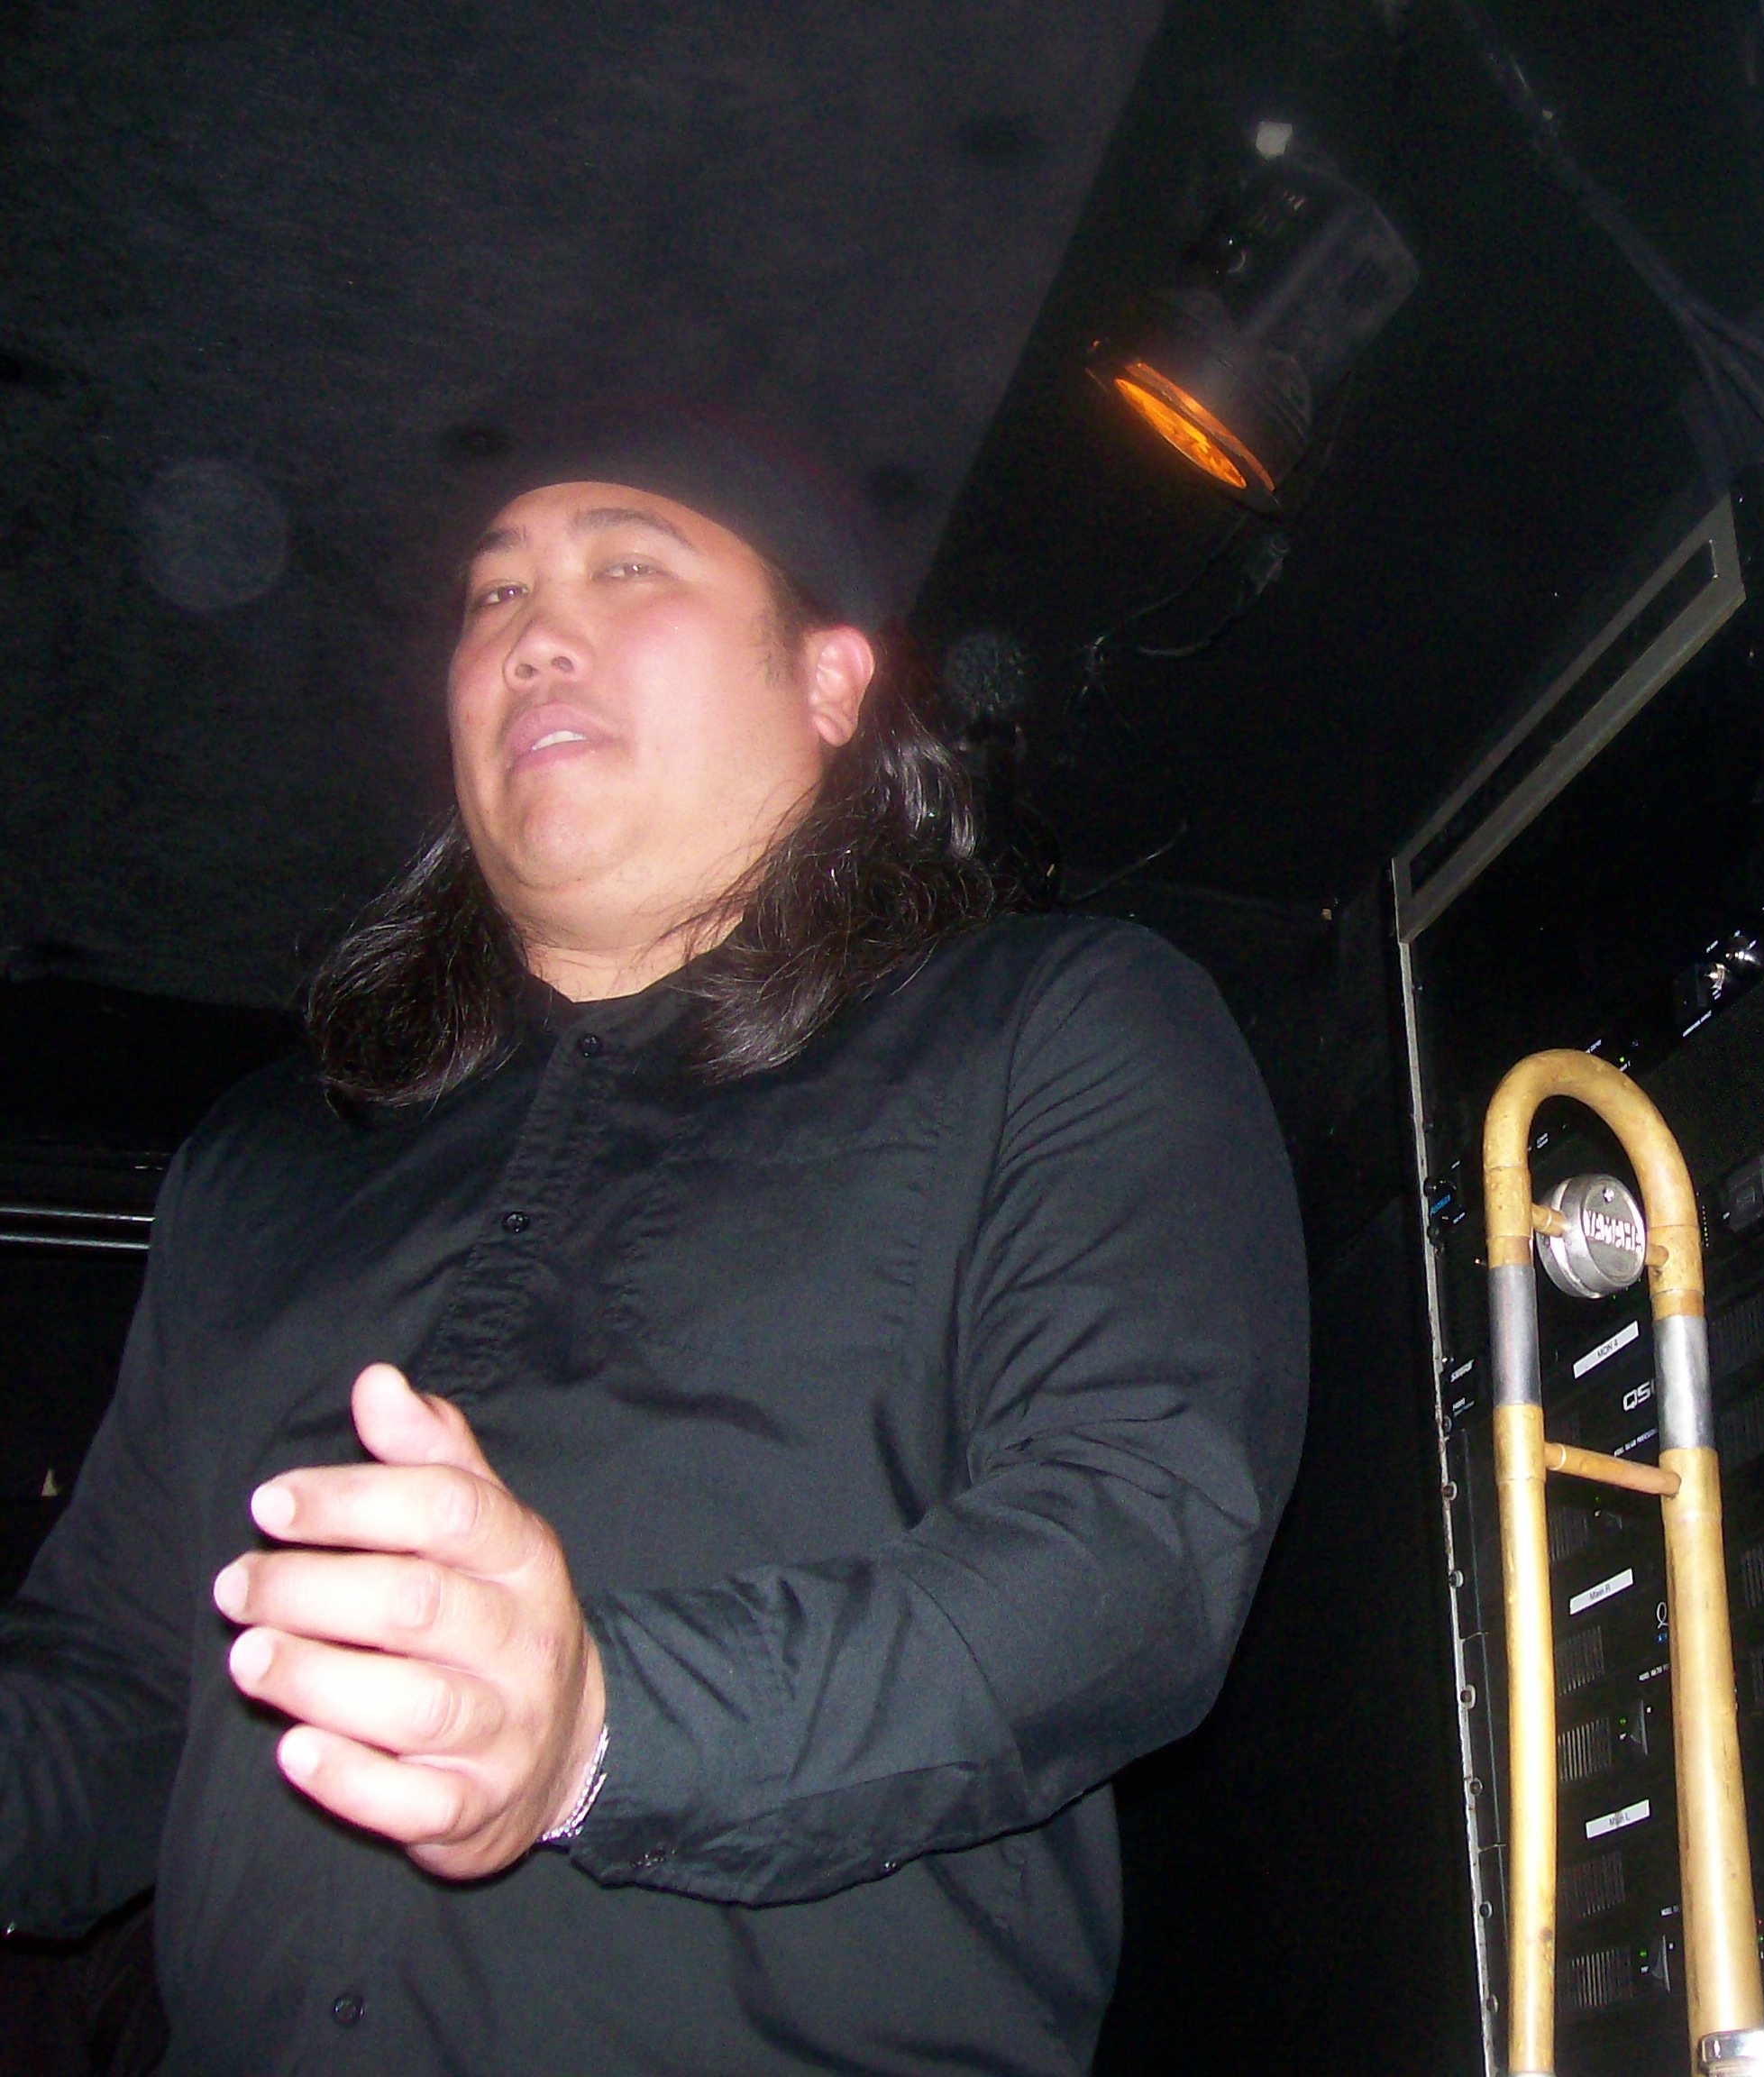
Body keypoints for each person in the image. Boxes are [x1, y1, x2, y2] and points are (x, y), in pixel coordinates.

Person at [0, 404, 1310, 2073]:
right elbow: (121, 1688)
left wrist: (602, 1730)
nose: (534, 634)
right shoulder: (267, 1161)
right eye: (493, 596)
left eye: (627, 568)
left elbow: (1134, 1554)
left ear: (831, 681)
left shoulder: (1055, 1027)